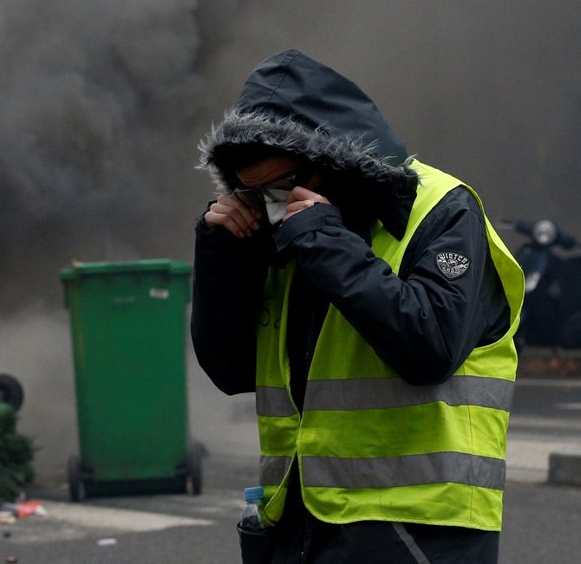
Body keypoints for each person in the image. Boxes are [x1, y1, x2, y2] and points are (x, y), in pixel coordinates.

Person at [191, 49, 524, 564]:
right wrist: (222, 255)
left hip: (418, 528)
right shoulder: (285, 226)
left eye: (281, 187)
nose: (271, 205)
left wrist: (328, 243)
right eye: (253, 194)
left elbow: (429, 349)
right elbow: (233, 370)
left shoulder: (441, 210)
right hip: (299, 523)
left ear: (332, 162)